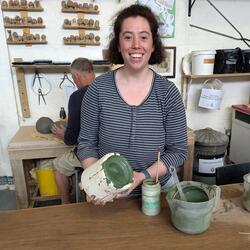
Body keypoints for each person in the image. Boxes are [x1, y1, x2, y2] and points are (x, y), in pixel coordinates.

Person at [77, 4, 187, 205]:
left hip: (157, 190)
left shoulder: (168, 93)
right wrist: (97, 181)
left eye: (144, 37)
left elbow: (178, 151)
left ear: (153, 45)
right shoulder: (98, 89)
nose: (136, 45)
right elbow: (86, 144)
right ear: (118, 45)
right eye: (128, 37)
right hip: (109, 194)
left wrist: (141, 176)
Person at [51, 58, 95, 204]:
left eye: (73, 79)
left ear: (76, 76)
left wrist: (63, 133)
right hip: (111, 148)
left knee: (58, 166)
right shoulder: (108, 90)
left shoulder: (76, 97)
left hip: (91, 153)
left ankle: (65, 205)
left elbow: (71, 139)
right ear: (91, 72)